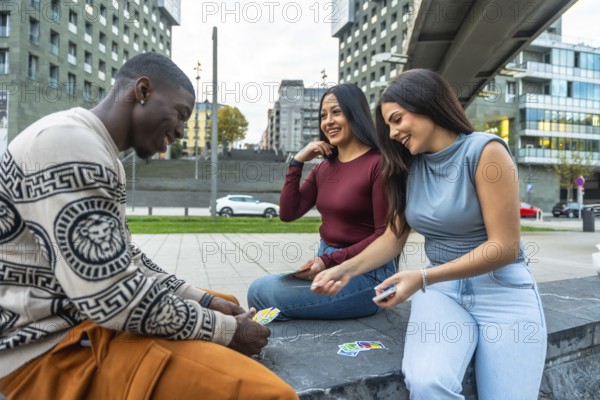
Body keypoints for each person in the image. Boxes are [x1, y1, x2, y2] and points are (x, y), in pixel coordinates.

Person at [0, 53, 298, 400]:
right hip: (43, 350)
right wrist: (227, 330)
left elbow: (127, 258)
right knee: (267, 393)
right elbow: (110, 296)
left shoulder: (94, 148)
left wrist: (202, 300)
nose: (182, 131)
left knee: (224, 300)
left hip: (81, 321)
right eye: (181, 114)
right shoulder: (68, 145)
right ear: (142, 91)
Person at [311, 69, 547, 399]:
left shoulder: (485, 151)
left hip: (502, 289)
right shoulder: (406, 166)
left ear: (426, 104)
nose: (392, 133)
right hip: (441, 292)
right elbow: (392, 238)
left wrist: (422, 277)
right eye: (388, 126)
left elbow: (504, 247)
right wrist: (342, 270)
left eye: (397, 120)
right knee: (427, 383)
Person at [247, 83, 396, 320]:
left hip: (368, 276)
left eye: (336, 112)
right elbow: (288, 213)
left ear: (355, 113)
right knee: (260, 291)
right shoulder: (323, 168)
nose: (328, 122)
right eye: (323, 116)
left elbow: (383, 234)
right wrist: (296, 162)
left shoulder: (379, 164)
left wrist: (328, 260)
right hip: (328, 266)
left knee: (263, 292)